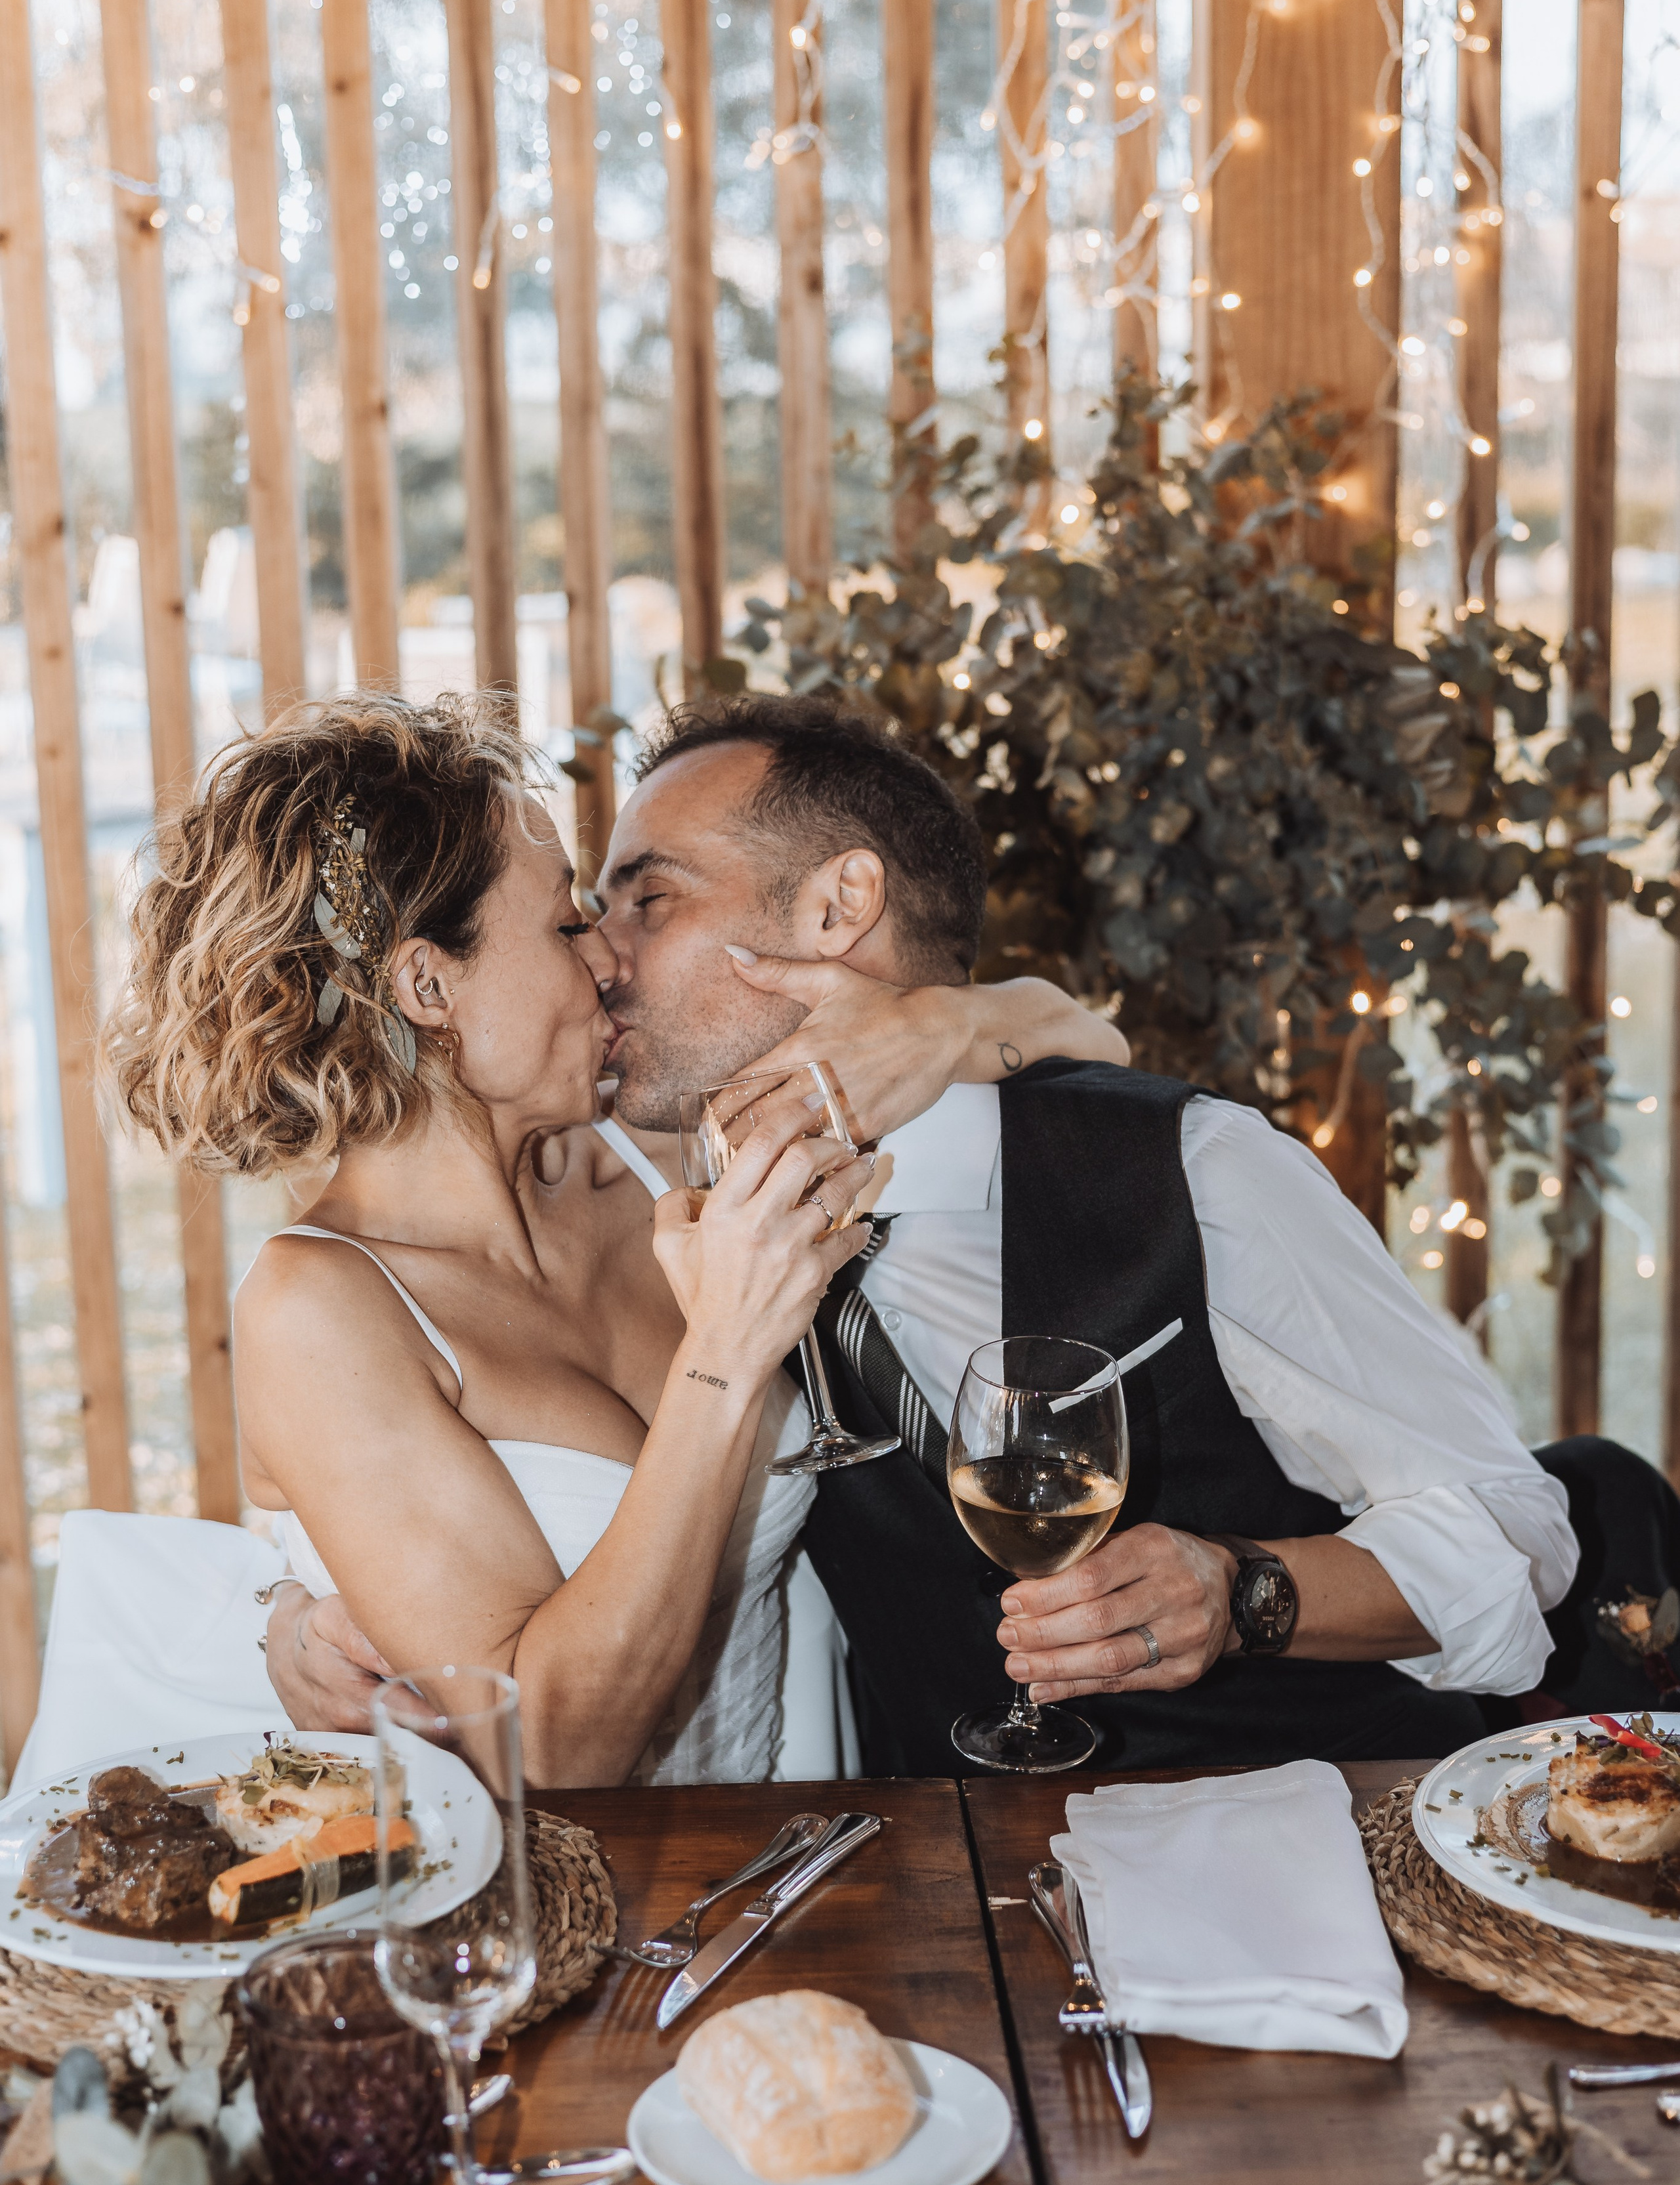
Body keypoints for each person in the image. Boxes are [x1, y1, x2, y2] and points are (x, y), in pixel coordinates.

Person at [271, 694, 1680, 1777]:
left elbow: (1517, 1539)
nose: (599, 952)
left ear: (837, 909)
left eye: (645, 899)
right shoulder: (646, 1178)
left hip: (1321, 1844)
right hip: (951, 1911)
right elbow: (381, 1348)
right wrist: (284, 1607)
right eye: (580, 914)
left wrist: (1244, 1592)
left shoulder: (1193, 1174)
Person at [100, 692, 1128, 1789]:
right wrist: (726, 1353)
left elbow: (1090, 1036)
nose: (606, 958)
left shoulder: (649, 1149)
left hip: (795, 1855)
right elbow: (550, 1748)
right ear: (427, 984)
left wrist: (939, 1024)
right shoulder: (320, 1307)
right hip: (551, 1923)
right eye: (561, 923)